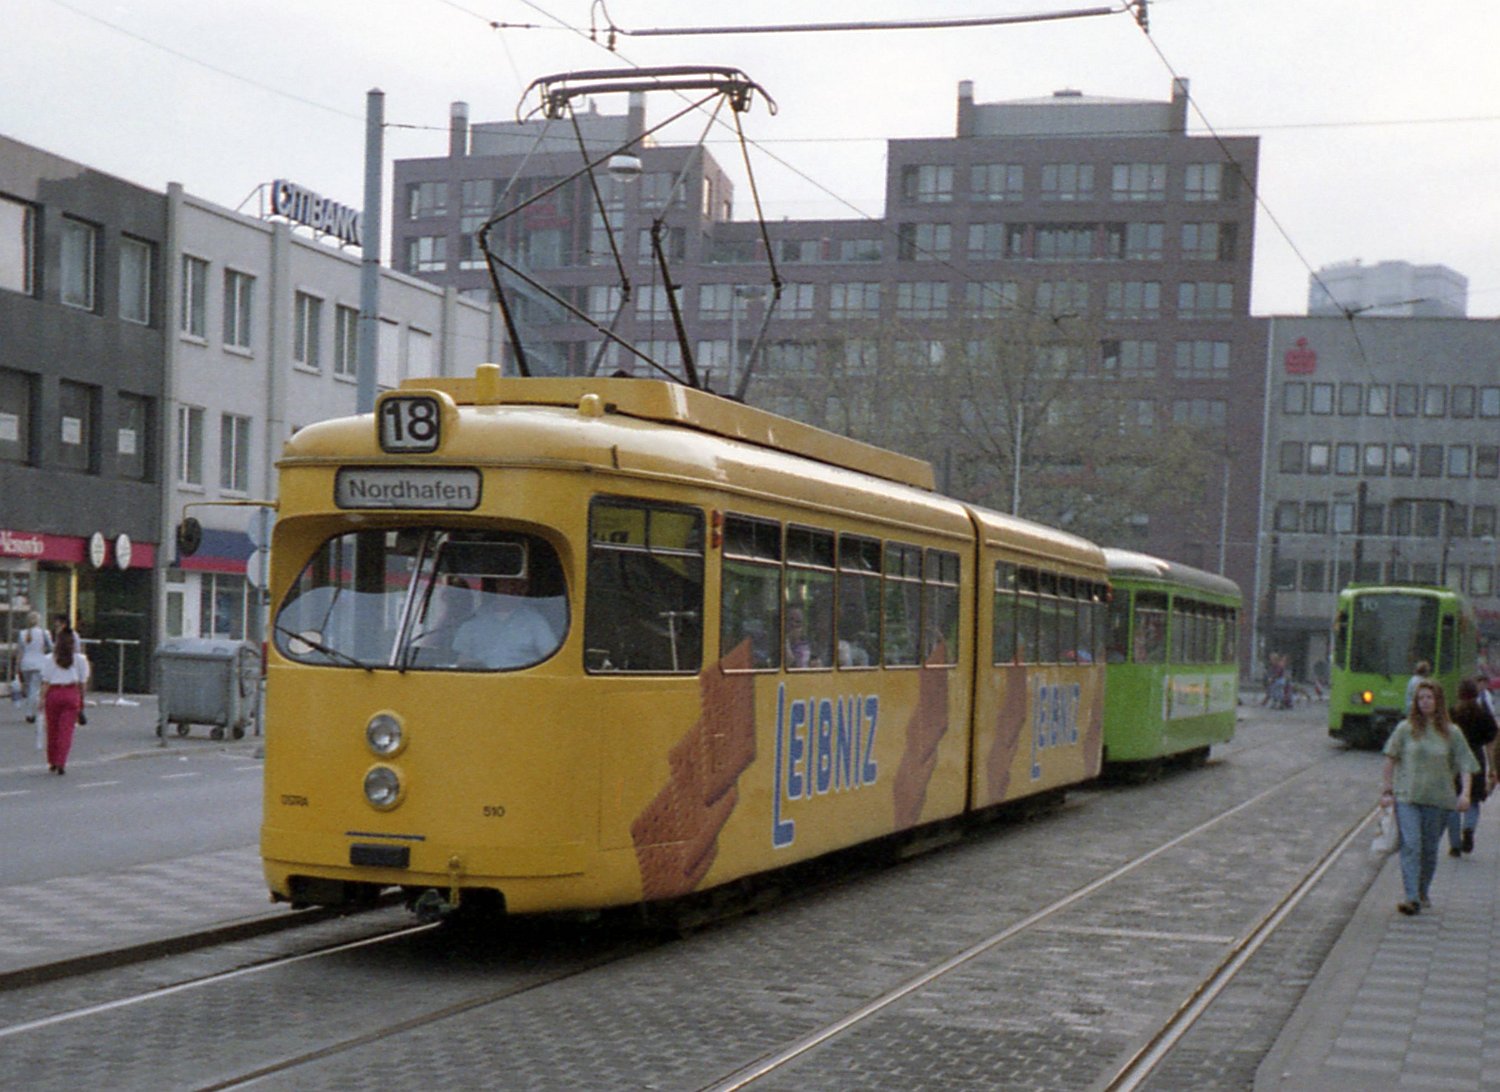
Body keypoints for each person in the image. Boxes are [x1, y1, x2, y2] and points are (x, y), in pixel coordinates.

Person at [1381, 679, 1479, 915]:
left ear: (1438, 701)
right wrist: (1387, 791)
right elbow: (1390, 759)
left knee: (1429, 849)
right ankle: (1411, 897)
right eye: (1420, 698)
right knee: (1412, 844)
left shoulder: (1452, 733)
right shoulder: (1405, 729)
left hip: (1438, 800)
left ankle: (1422, 890)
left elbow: (1465, 765)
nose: (1424, 702)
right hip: (1408, 797)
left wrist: (1465, 794)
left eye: (1429, 697)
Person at [452, 577, 558, 670]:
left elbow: (551, 657)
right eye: (512, 584)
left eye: (523, 586)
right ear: (499, 584)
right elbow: (463, 661)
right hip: (483, 681)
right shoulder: (476, 619)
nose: (517, 590)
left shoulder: (535, 621)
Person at [1445, 678, 1498, 855]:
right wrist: (1492, 768)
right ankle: (1468, 829)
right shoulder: (1483, 715)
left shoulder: (1452, 713)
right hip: (1476, 759)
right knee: (1473, 800)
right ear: (1476, 694)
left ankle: (1454, 845)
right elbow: (1490, 745)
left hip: (1454, 761)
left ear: (1459, 694)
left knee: (1453, 802)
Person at [40, 625, 90, 776]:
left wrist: (41, 699)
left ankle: (52, 761)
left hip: (54, 693)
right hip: (71, 692)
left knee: (52, 729)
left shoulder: (49, 659)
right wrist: (82, 699)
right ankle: (61, 761)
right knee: (66, 731)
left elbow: (46, 682)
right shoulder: (80, 659)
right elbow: (83, 683)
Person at [16, 610, 51, 728]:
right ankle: (31, 713)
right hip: (39, 663)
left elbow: (20, 651)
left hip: (25, 663)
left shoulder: (22, 633)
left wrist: (17, 666)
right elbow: (50, 647)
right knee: (35, 689)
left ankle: (30, 710)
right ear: (38, 621)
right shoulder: (44, 633)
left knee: (29, 688)